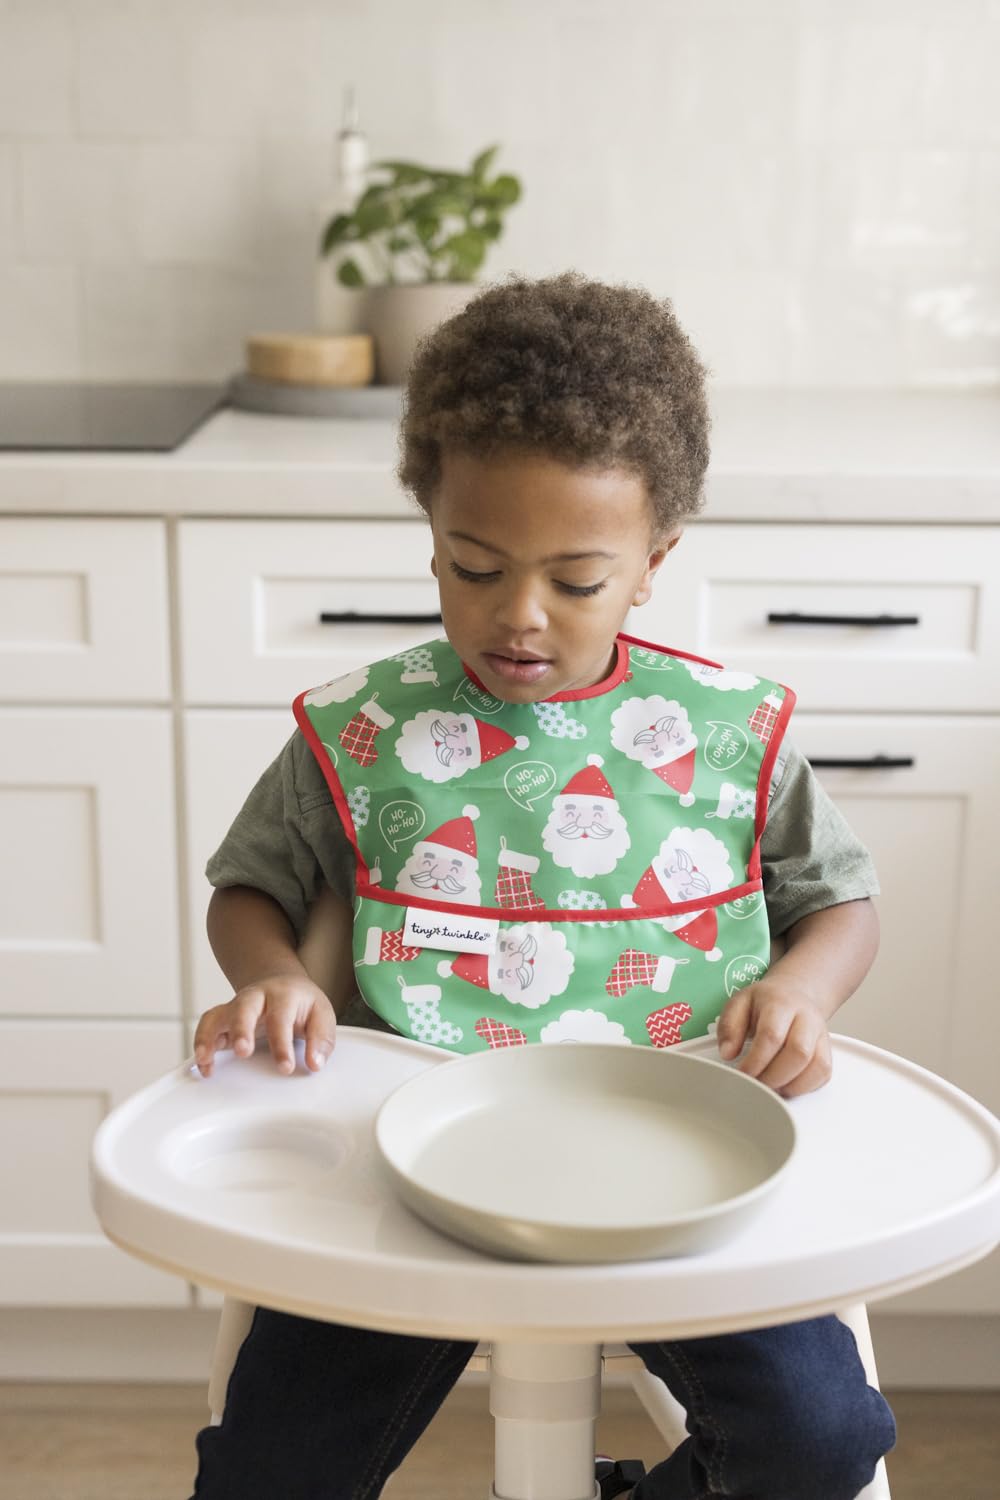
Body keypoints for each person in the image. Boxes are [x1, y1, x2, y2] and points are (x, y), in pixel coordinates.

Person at [189, 272, 897, 1500]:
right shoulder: (361, 731)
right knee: (269, 1472)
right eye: (473, 567)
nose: (517, 616)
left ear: (652, 561)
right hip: (406, 1165)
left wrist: (802, 991)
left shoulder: (723, 733)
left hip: (685, 1166)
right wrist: (272, 977)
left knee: (821, 1438)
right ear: (432, 536)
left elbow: (840, 902)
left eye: (575, 581)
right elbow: (249, 885)